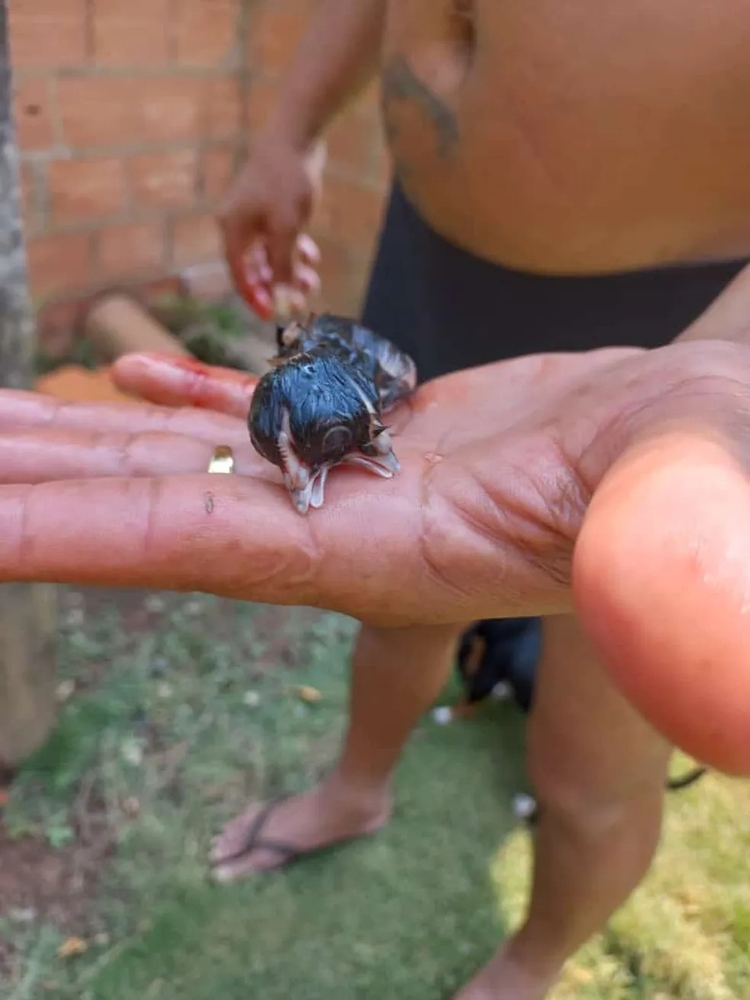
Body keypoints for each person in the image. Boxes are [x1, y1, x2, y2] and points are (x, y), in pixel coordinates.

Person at [2, 3, 750, 997]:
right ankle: (355, 792)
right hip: (423, 262)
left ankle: (532, 959)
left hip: (665, 312)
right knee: (392, 607)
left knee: (595, 737)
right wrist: (289, 133)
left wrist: (729, 354)